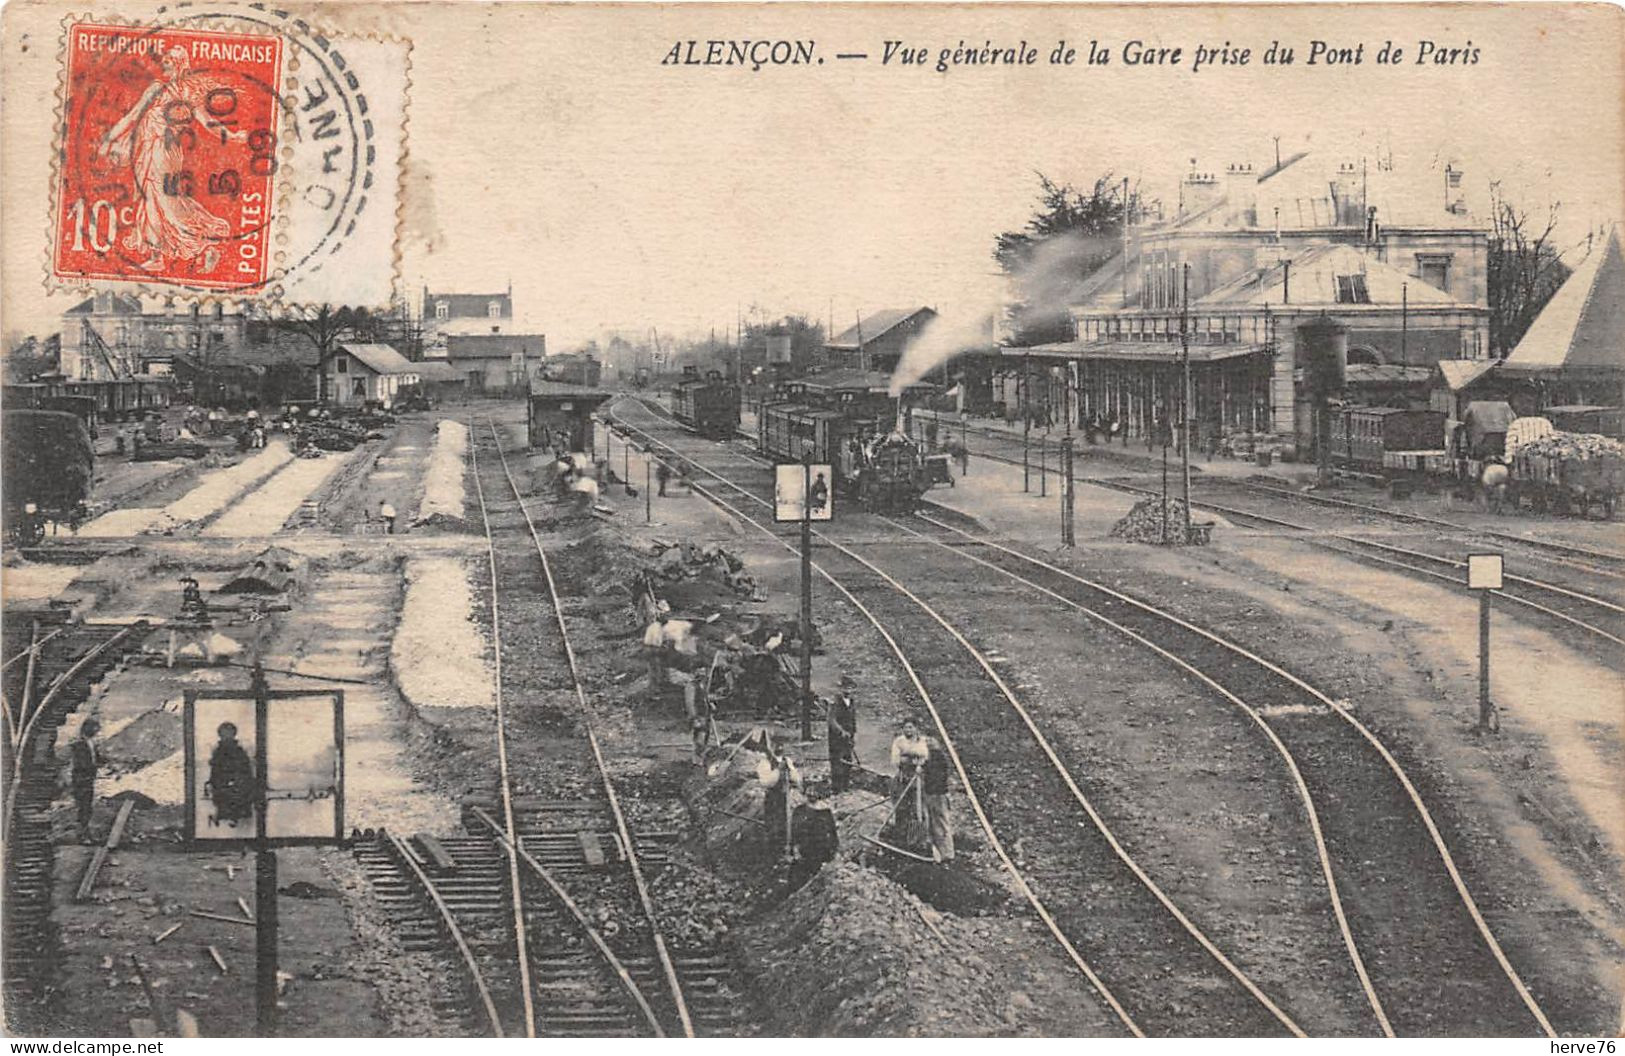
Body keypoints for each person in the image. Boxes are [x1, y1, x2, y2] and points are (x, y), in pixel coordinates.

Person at [205, 722, 257, 829]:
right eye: (225, 734)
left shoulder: (238, 751)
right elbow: (215, 772)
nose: (227, 736)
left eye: (229, 733)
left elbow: (245, 770)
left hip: (236, 788)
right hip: (225, 788)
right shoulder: (219, 752)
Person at [889, 718, 930, 825]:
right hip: (902, 777)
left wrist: (906, 754)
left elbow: (925, 756)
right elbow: (896, 760)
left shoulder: (922, 740)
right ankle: (900, 835)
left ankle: (918, 835)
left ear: (916, 728)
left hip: (918, 778)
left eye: (911, 727)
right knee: (901, 806)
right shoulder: (899, 741)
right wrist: (914, 758)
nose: (908, 730)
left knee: (918, 807)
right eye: (906, 727)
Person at [67, 719, 102, 843]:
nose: (97, 732)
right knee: (83, 807)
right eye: (95, 729)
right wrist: (94, 768)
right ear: (88, 729)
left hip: (88, 780)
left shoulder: (91, 743)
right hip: (81, 780)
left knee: (87, 807)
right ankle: (82, 835)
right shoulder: (78, 744)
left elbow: (96, 759)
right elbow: (82, 764)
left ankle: (86, 833)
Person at [921, 738, 955, 862]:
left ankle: (947, 853)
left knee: (941, 822)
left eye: (931, 741)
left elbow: (939, 776)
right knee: (931, 823)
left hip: (938, 794)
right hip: (930, 793)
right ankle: (938, 852)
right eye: (927, 741)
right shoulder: (928, 756)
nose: (929, 743)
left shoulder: (939, 757)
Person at [827, 679, 857, 794]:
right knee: (837, 762)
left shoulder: (852, 702)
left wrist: (853, 733)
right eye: (845, 688)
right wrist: (841, 731)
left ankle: (845, 786)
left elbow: (853, 719)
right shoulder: (835, 702)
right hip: (836, 738)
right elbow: (831, 720)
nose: (847, 690)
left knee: (848, 761)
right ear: (840, 689)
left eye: (850, 688)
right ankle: (836, 789)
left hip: (848, 737)